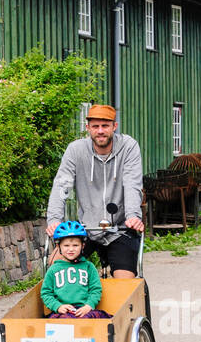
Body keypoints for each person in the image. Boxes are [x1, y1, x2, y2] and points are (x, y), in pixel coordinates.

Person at [47, 104, 145, 279]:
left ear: (114, 126)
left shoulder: (129, 147)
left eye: (105, 126)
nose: (100, 131)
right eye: (95, 126)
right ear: (88, 128)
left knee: (125, 284)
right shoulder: (76, 150)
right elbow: (62, 185)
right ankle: (71, 305)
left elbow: (132, 184)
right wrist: (55, 220)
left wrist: (133, 216)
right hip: (87, 227)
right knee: (56, 266)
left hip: (120, 228)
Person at [41, 221, 110, 319]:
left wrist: (88, 306)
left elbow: (95, 290)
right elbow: (46, 293)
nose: (71, 249)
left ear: (83, 246)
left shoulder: (88, 267)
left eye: (75, 245)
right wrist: (58, 306)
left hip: (84, 309)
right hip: (63, 310)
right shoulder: (53, 269)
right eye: (66, 246)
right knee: (61, 322)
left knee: (96, 319)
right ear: (58, 247)